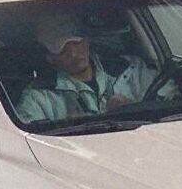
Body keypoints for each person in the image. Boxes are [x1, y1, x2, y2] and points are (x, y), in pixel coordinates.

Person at [16, 14, 172, 124]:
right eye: (63, 49)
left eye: (77, 43)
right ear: (50, 58)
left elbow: (173, 99)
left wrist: (132, 108)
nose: (74, 53)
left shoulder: (130, 69)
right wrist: (68, 126)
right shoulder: (38, 96)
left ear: (87, 41)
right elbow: (26, 138)